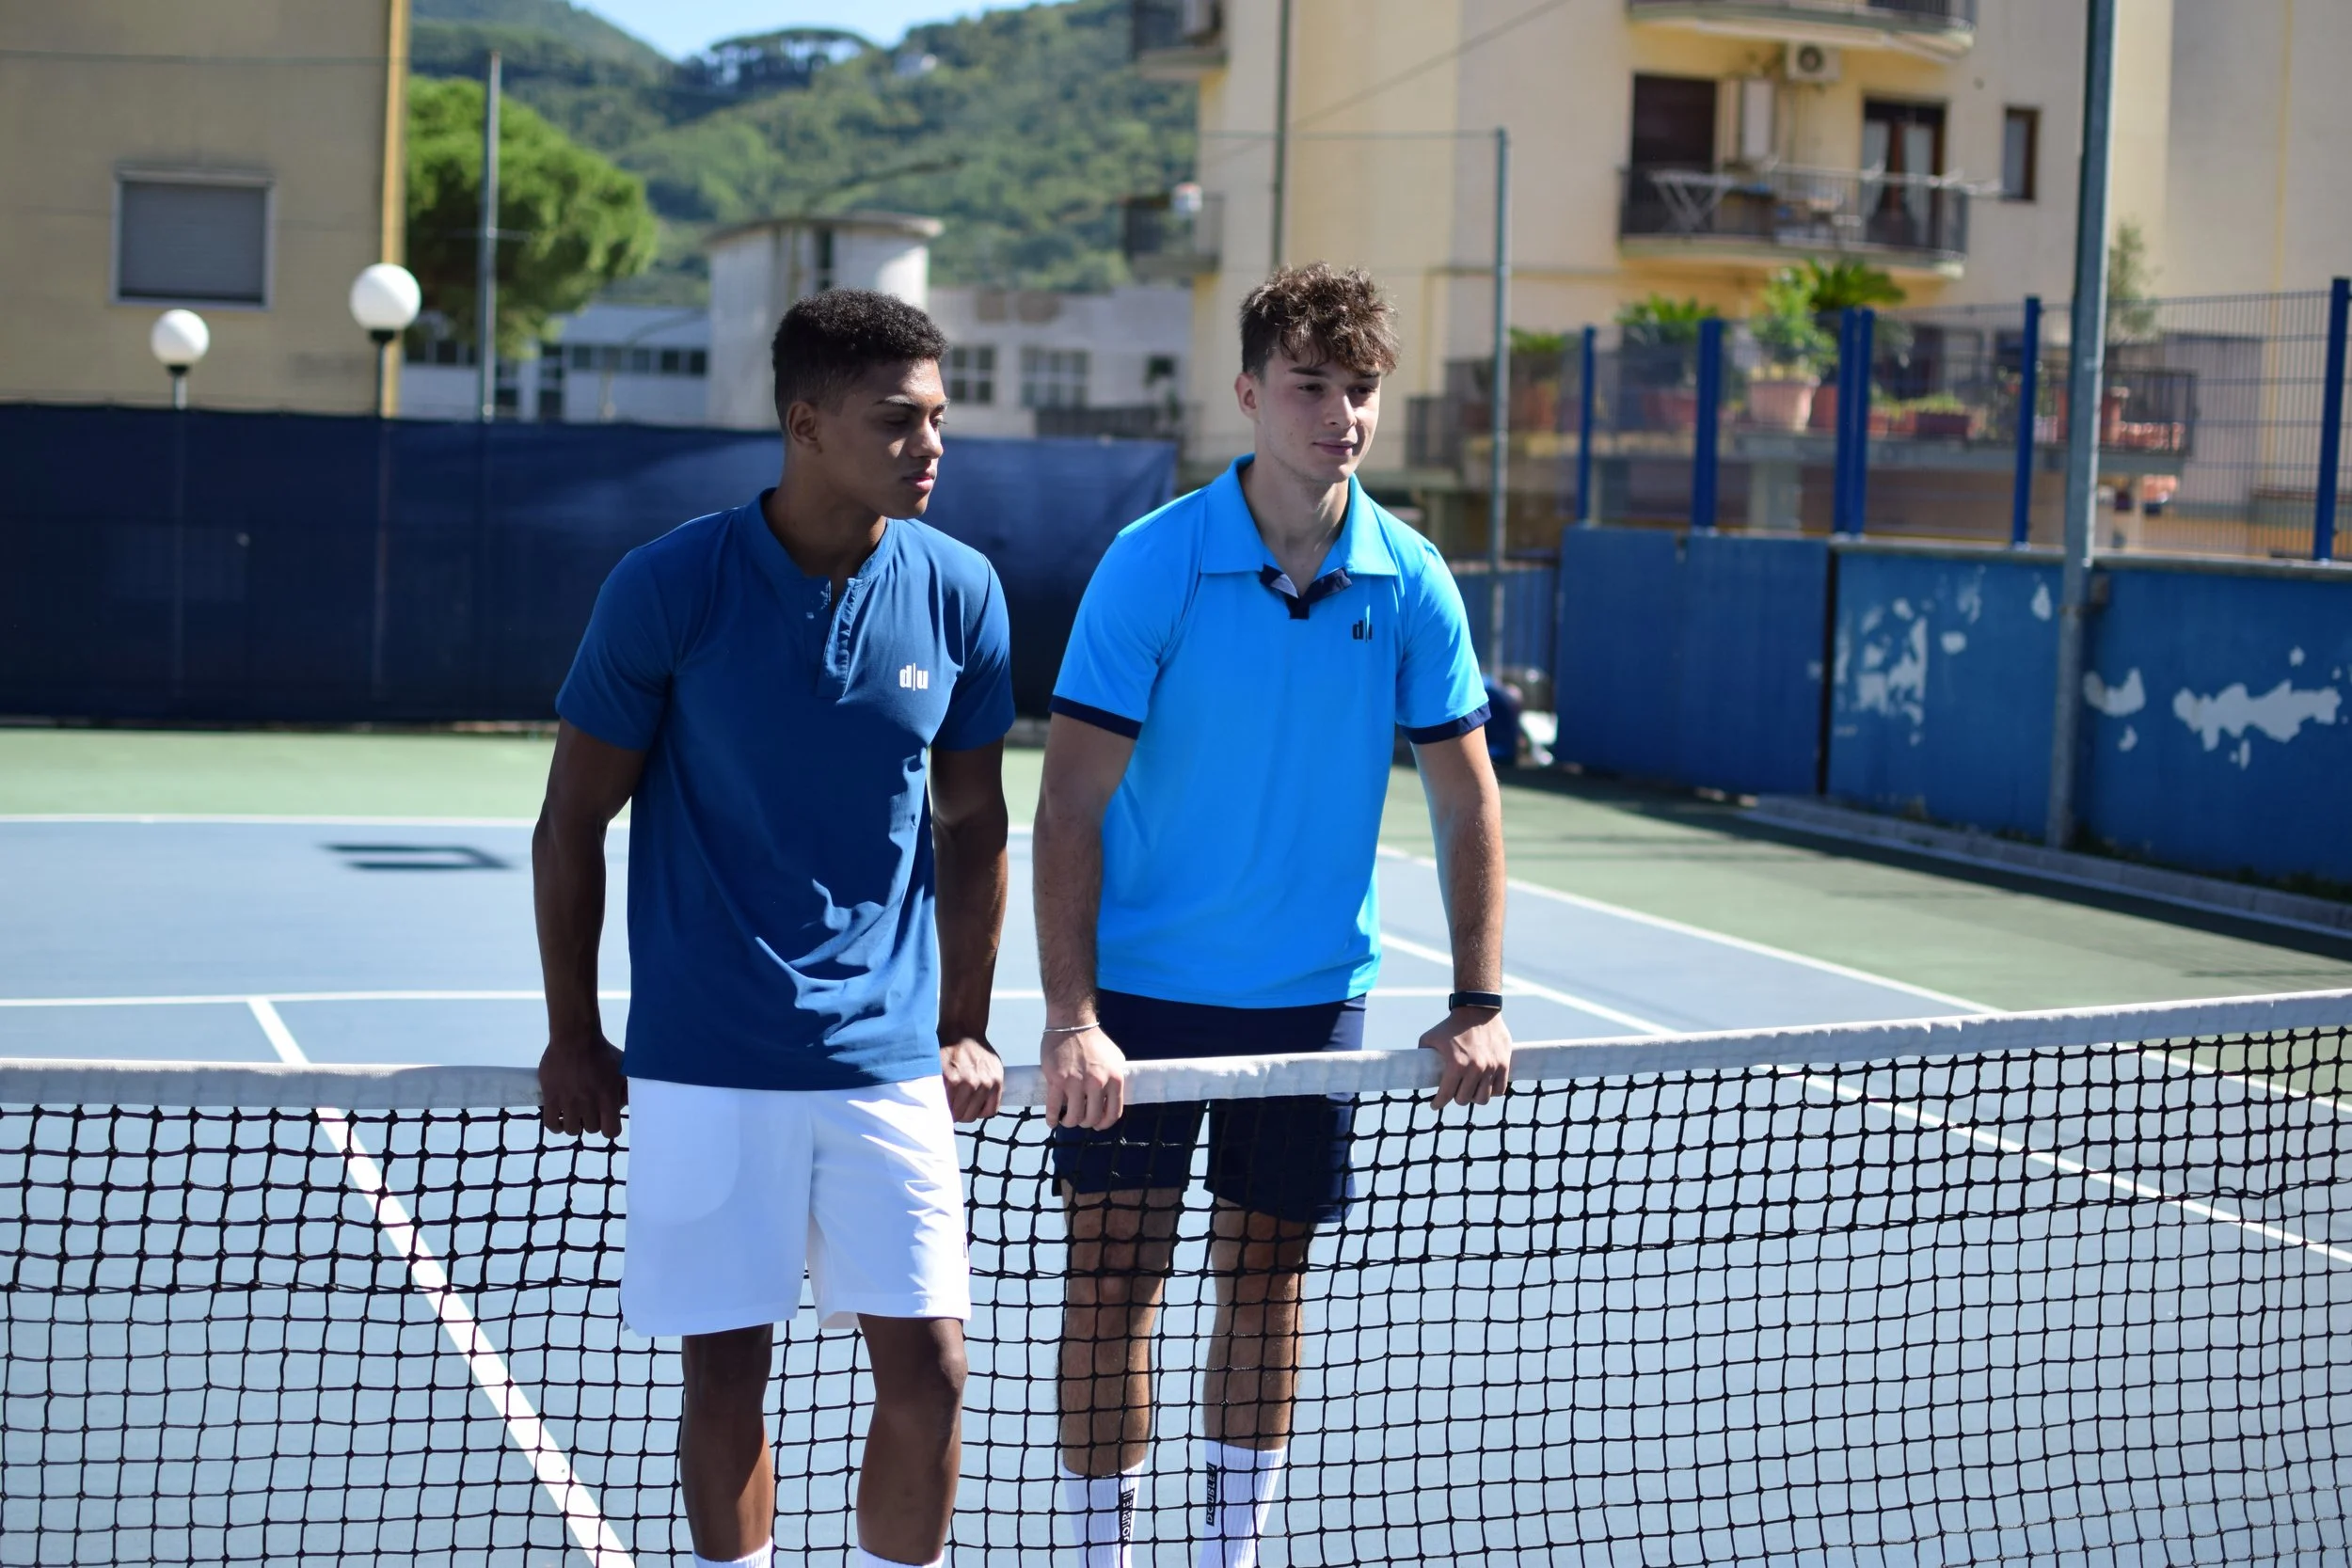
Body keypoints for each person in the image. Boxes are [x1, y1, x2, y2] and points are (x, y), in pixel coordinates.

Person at [1033, 262, 1513, 1568]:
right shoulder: (1153, 567)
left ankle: (1228, 1548)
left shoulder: (1409, 579)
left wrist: (1478, 1000)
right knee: (1112, 1284)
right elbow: (1068, 803)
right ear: (1249, 392)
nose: (1340, 414)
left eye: (1360, 388)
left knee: (1266, 1282)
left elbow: (1467, 804)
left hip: (1312, 998)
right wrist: (1070, 1016)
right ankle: (1096, 1553)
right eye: (1311, 385)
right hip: (1139, 1001)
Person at [533, 289, 1013, 1568]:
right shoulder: (668, 586)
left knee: (935, 1373)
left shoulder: (962, 593)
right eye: (897, 420)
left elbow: (977, 823)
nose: (930, 445)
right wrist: (573, 1034)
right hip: (706, 1058)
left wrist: (964, 1025)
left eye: (938, 419)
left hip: (887, 1063)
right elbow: (571, 818)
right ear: (806, 423)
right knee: (725, 1381)